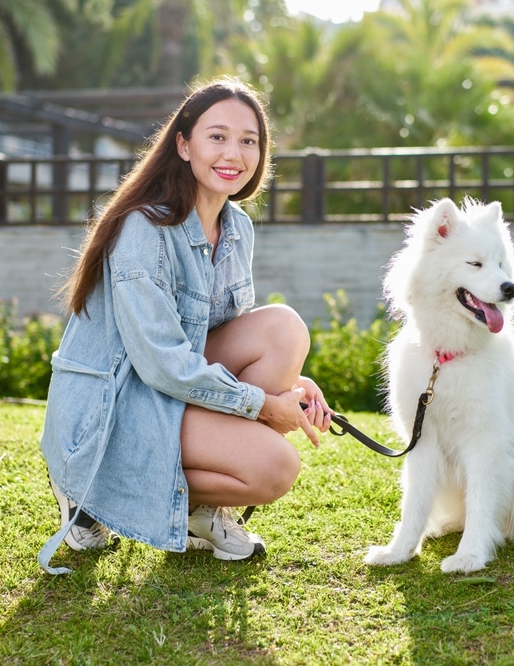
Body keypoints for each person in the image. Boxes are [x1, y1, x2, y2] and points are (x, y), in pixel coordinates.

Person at [37, 76, 333, 575]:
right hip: (116, 407)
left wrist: (293, 387)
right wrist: (262, 407)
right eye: (217, 136)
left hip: (170, 393)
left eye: (248, 140)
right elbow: (162, 362)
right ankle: (90, 488)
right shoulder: (145, 229)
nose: (233, 153)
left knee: (284, 328)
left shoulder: (237, 228)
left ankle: (196, 507)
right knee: (276, 467)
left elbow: (229, 338)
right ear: (183, 144)